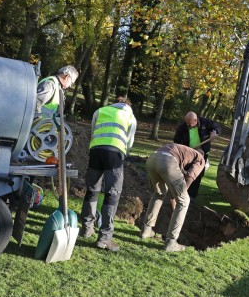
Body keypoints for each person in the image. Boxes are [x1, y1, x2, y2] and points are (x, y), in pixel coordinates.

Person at [80, 96, 137, 252]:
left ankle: (86, 228)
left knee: (92, 190)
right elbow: (129, 142)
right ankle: (104, 238)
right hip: (115, 155)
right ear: (127, 105)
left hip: (96, 151)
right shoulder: (130, 115)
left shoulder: (100, 111)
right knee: (112, 194)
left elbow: (93, 131)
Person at [139, 143, 206, 252]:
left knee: (159, 194)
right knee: (184, 201)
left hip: (152, 159)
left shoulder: (185, 152)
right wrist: (180, 195)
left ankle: (146, 231)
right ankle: (171, 242)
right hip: (167, 161)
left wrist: (174, 195)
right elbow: (190, 176)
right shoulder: (201, 158)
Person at [173, 111, 221, 199]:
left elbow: (216, 126)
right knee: (185, 171)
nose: (187, 125)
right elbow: (176, 140)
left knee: (197, 174)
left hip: (202, 153)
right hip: (188, 153)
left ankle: (192, 196)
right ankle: (181, 192)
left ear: (195, 120)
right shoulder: (183, 127)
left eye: (189, 123)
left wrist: (214, 132)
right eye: (186, 122)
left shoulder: (205, 123)